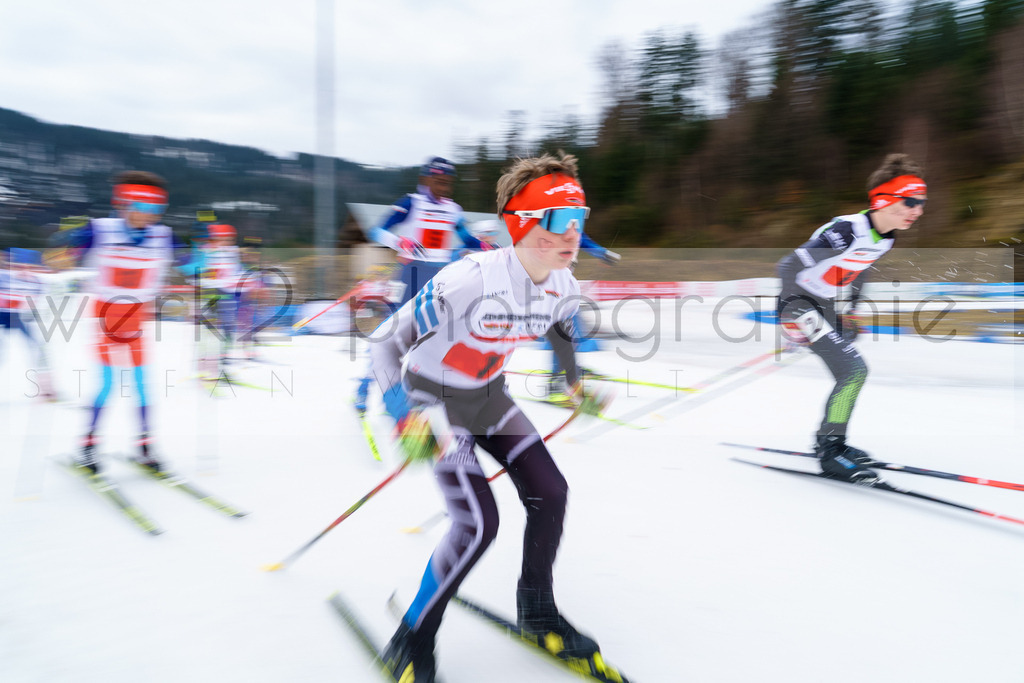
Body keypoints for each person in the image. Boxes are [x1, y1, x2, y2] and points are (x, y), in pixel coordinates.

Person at [367, 152, 613, 682]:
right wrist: (401, 414)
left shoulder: (565, 283)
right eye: (560, 220)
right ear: (523, 224)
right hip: (432, 400)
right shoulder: (469, 280)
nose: (574, 232)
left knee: (551, 493)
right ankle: (412, 636)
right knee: (478, 524)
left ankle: (537, 610)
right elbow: (384, 345)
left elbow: (560, 326)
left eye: (580, 217)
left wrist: (574, 381)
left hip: (487, 397)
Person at [776, 153, 927, 483]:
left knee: (849, 366)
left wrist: (851, 311)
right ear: (884, 200)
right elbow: (788, 266)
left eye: (921, 203)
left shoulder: (886, 236)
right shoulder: (847, 231)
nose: (917, 210)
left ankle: (834, 442)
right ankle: (830, 451)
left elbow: (861, 268)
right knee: (854, 371)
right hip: (798, 303)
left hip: (823, 304)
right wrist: (791, 318)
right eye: (910, 201)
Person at [67, 171, 185, 474]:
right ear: (122, 204)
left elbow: (190, 261)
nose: (149, 215)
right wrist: (69, 247)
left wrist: (202, 264)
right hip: (106, 313)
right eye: (142, 207)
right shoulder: (99, 230)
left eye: (157, 209)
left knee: (142, 384)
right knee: (108, 383)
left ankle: (145, 446)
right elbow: (66, 251)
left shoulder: (164, 236)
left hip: (138, 314)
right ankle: (88, 445)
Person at [353, 156, 490, 416]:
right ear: (426, 179)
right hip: (410, 274)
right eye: (439, 181)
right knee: (391, 335)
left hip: (439, 277)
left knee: (437, 335)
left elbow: (466, 238)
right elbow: (376, 231)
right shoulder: (411, 203)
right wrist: (400, 242)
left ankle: (420, 388)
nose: (444, 186)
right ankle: (364, 388)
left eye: (448, 182)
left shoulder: (453, 209)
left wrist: (484, 245)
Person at [0, 248, 56, 400]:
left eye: (29, 267)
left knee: (38, 349)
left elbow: (33, 303)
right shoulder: (4, 277)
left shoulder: (37, 282)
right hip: (2, 315)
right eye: (19, 267)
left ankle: (47, 388)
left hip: (17, 317)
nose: (24, 270)